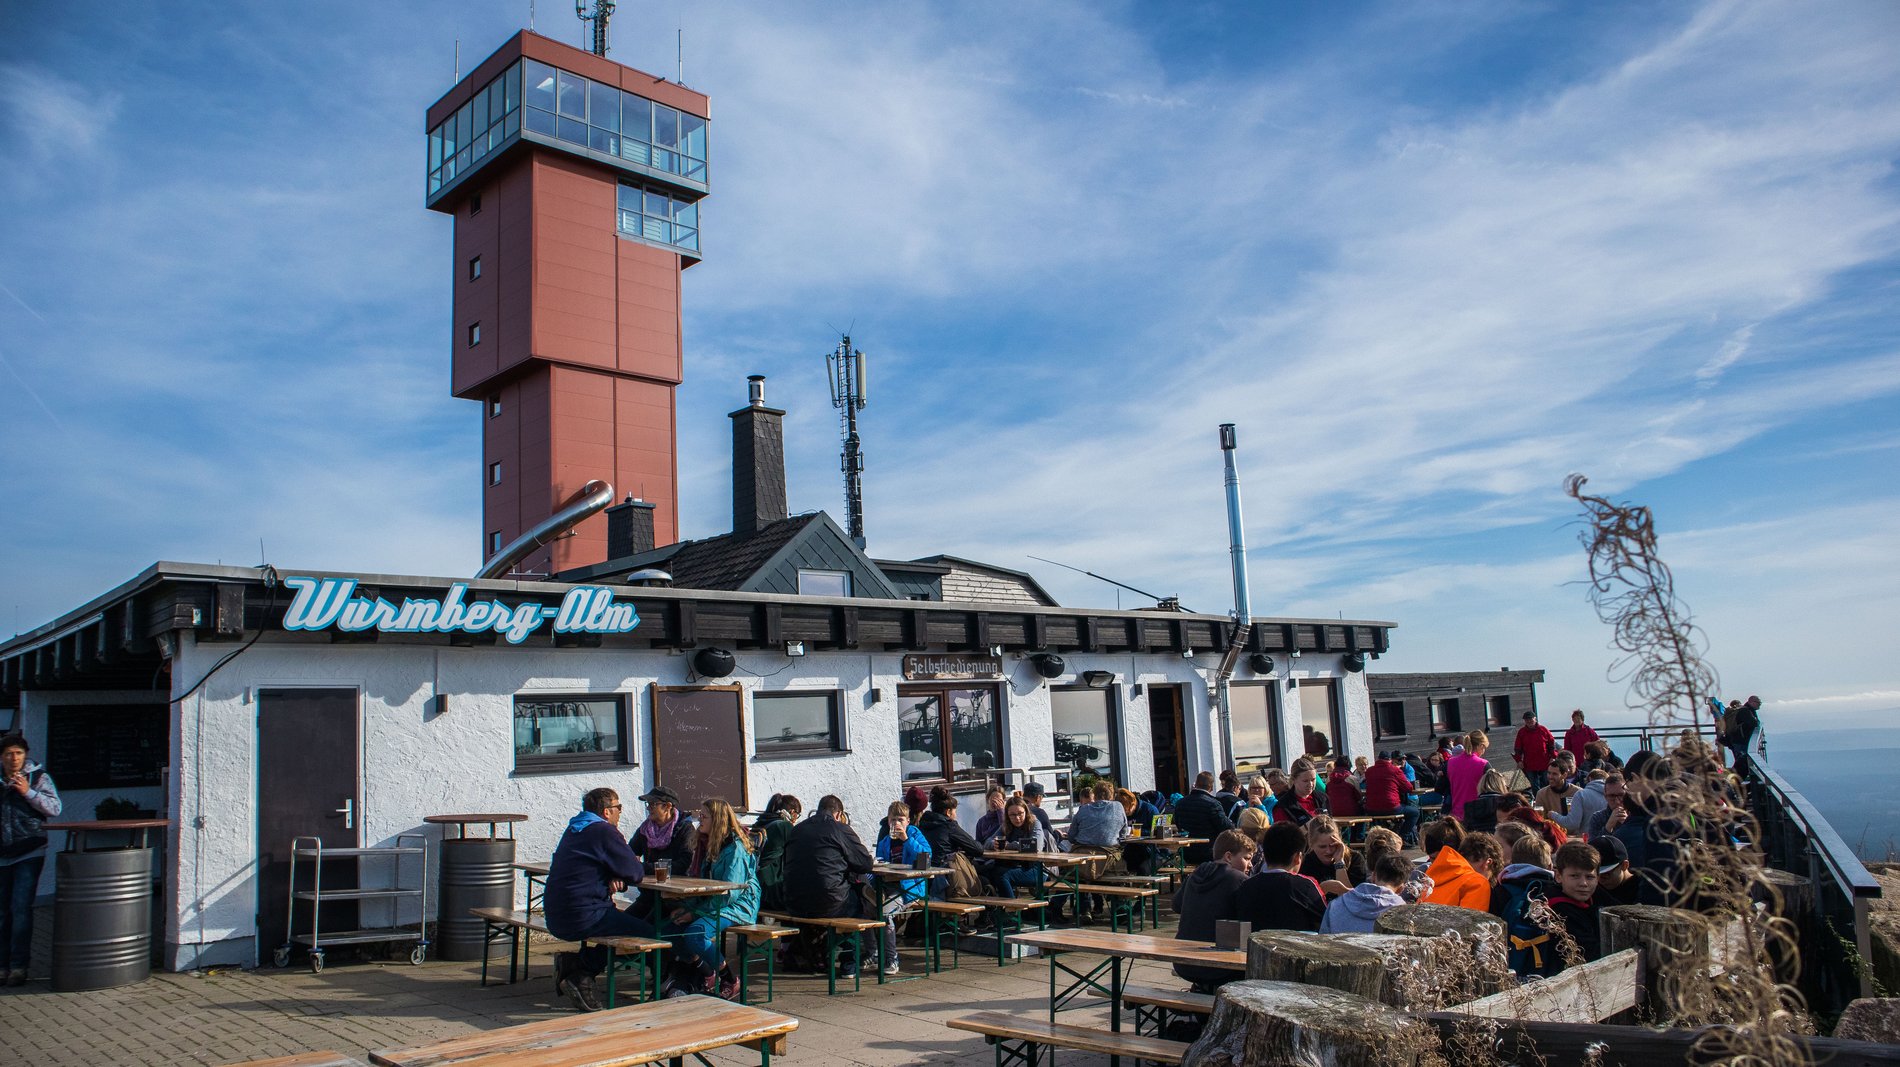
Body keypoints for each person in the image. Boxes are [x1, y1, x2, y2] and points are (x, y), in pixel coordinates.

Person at [545, 788, 651, 1012]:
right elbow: (635, 872)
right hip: (586, 914)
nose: (620, 813)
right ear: (606, 811)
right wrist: (618, 871)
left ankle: (577, 965)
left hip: (557, 913)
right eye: (618, 808)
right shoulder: (604, 831)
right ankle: (581, 972)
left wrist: (613, 872)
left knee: (630, 924)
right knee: (651, 933)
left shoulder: (575, 828)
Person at [663, 798, 758, 998]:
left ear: (718, 820)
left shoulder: (735, 849)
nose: (700, 821)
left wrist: (694, 914)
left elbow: (730, 893)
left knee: (695, 933)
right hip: (715, 902)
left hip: (739, 906)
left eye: (704, 817)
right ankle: (707, 972)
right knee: (668, 929)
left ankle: (730, 979)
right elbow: (703, 885)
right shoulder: (709, 844)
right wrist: (688, 909)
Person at [784, 794, 877, 975]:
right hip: (829, 902)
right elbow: (866, 864)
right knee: (859, 902)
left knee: (835, 894)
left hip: (793, 903)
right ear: (838, 814)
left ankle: (816, 955)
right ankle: (849, 963)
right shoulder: (840, 829)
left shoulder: (797, 830)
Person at [0, 733, 60, 986]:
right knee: (2, 912)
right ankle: (1, 966)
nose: (14, 758)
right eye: (8, 754)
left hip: (29, 850)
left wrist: (28, 793)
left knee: (21, 908)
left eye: (18, 753)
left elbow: (55, 808)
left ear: (25, 756)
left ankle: (18, 966)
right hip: (1, 853)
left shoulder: (39, 778)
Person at [1171, 829, 1254, 993]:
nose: (1250, 865)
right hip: (1220, 966)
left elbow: (1176, 905)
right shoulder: (1239, 880)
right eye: (1246, 858)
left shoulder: (1195, 874)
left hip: (1183, 962)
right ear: (1228, 857)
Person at [872, 801, 931, 976]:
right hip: (888, 885)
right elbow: (880, 861)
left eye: (900, 819)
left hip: (909, 887)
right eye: (892, 820)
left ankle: (892, 959)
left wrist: (906, 839)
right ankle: (871, 953)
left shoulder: (914, 834)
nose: (896, 824)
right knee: (864, 910)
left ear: (907, 821)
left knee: (885, 913)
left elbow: (926, 855)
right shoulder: (885, 841)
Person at [1233, 822, 1325, 933]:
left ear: (1265, 856)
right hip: (1294, 948)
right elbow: (1327, 920)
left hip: (1254, 948)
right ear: (1297, 857)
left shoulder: (1246, 886)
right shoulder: (1306, 886)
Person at [1490, 834, 1560, 978]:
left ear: (1512, 862)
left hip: (1509, 965)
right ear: (1549, 866)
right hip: (1547, 968)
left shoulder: (1501, 890)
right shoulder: (1552, 890)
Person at [1068, 781, 1129, 924]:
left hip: (1082, 855)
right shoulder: (1118, 807)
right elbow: (1123, 834)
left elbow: (1071, 836)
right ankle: (1120, 909)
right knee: (1120, 871)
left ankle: (1084, 910)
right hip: (1108, 857)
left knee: (1080, 874)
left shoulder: (1083, 809)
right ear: (1112, 795)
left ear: (1094, 794)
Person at [918, 788, 997, 898]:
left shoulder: (922, 824)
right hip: (946, 880)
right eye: (955, 811)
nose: (955, 814)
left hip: (925, 879)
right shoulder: (948, 825)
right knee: (987, 876)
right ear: (948, 812)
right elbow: (978, 849)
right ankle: (991, 913)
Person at [1320, 852, 1412, 934]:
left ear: (1373, 876)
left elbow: (1322, 941)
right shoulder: (1405, 913)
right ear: (1401, 888)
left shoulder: (1335, 905)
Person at [1547, 841, 1602, 964]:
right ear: (1558, 876)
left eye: (1590, 877)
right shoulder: (1559, 911)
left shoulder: (1594, 897)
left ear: (1598, 878)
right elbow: (1590, 953)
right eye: (1574, 876)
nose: (1583, 883)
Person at [988, 797, 1049, 900]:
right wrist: (993, 844)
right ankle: (996, 911)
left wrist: (1008, 845)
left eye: (1020, 813)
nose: (1017, 818)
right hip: (1015, 867)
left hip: (1036, 869)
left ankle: (1011, 910)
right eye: (1012, 815)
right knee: (989, 873)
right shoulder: (1006, 825)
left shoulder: (1034, 823)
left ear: (1026, 811)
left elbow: (1035, 845)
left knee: (1003, 875)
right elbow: (987, 841)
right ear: (1007, 815)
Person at [1426, 831, 1501, 912]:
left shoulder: (1432, 876)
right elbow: (1472, 922)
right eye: (1490, 875)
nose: (1489, 880)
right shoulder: (1478, 883)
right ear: (1488, 862)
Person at [629, 787, 697, 877]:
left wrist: (644, 867)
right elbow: (629, 852)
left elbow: (684, 864)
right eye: (647, 804)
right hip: (649, 888)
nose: (648, 808)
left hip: (675, 887)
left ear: (668, 806)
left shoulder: (685, 828)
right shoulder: (645, 829)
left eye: (653, 804)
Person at [1171, 771, 1235, 865]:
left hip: (1187, 852)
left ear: (1196, 784)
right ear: (1211, 787)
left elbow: (1177, 823)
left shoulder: (1181, 803)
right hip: (1209, 853)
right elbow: (1226, 827)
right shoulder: (1213, 804)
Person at [752, 794, 802, 911]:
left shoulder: (760, 824)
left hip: (756, 882)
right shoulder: (784, 826)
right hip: (772, 888)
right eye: (797, 815)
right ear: (792, 812)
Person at [1296, 816, 1366, 898]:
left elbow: (1353, 901)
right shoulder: (1305, 863)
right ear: (1311, 844)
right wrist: (1321, 890)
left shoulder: (1355, 858)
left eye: (1333, 845)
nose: (1328, 851)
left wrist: (1339, 863)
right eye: (1322, 847)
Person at [1362, 751, 1420, 845]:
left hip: (1371, 808)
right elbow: (1408, 788)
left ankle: (1382, 836)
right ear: (1390, 760)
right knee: (1415, 812)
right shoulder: (1395, 770)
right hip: (1391, 806)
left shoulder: (1369, 771)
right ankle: (1402, 837)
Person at [1446, 731, 1491, 822]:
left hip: (1456, 813)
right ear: (1481, 746)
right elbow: (1493, 789)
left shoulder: (1450, 762)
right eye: (1485, 748)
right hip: (1477, 813)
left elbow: (1442, 786)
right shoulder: (1483, 764)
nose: (1484, 751)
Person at [1587, 834, 1639, 906]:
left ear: (1624, 865)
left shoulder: (1644, 890)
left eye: (1606, 873)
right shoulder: (1591, 889)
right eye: (1595, 874)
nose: (1601, 879)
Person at [1513, 711, 1558, 792]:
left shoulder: (1543, 729)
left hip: (1544, 762)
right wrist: (1519, 760)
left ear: (1535, 719)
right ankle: (1538, 802)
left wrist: (1553, 757)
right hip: (1530, 764)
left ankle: (1549, 800)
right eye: (1527, 720)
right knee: (1534, 785)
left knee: (1547, 783)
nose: (1529, 721)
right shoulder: (1522, 732)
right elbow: (1518, 748)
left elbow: (1552, 744)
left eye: (1531, 719)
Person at [1118, 788, 1159, 875]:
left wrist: (1137, 831)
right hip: (1128, 848)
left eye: (1126, 810)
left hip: (1147, 849)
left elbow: (1157, 831)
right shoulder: (1121, 814)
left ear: (1133, 804)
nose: (1125, 813)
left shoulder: (1150, 810)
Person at [1272, 758, 1324, 828]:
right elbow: (1282, 836)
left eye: (1313, 780)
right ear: (1294, 780)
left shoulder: (1323, 798)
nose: (1310, 784)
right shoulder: (1283, 807)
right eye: (1305, 781)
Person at [1460, 769, 1512, 834]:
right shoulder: (1506, 804)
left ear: (1480, 785)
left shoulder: (1470, 806)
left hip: (1477, 841)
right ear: (1501, 785)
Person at [1581, 773, 1629, 840]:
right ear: (1605, 797)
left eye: (1621, 795)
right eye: (1612, 796)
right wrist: (1608, 827)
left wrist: (1628, 825)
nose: (1617, 801)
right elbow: (1593, 847)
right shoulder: (1598, 818)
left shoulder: (1637, 815)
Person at [1021, 781, 1064, 849]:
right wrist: (1058, 834)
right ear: (1038, 797)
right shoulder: (1039, 812)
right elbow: (1051, 838)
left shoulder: (1015, 808)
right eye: (1042, 797)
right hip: (1036, 850)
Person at [1725, 695, 1762, 773]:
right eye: (1758, 702)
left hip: (1738, 740)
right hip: (1741, 741)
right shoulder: (1745, 711)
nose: (1760, 704)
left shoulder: (1746, 710)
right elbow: (1754, 723)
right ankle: (1733, 780)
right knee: (1741, 763)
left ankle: (1735, 779)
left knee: (1740, 762)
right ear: (1751, 702)